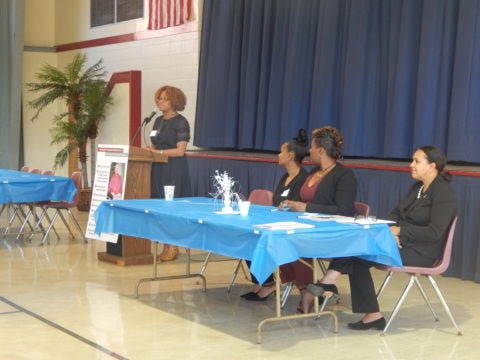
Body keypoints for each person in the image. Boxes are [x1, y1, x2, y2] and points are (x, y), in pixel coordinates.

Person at [305, 145, 458, 330]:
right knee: (358, 254)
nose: (411, 164)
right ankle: (371, 314)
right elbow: (395, 214)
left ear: (432, 165)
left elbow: (434, 233)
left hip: (423, 252)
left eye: (417, 161)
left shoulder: (444, 193)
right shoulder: (417, 187)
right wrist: (390, 232)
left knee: (357, 251)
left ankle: (328, 283)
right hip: (402, 244)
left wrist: (400, 232)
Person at [247, 126, 357, 308]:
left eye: (312, 147)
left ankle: (306, 289)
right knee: (275, 238)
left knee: (290, 242)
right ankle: (303, 288)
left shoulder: (344, 175)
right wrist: (290, 204)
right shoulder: (313, 173)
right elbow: (301, 201)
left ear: (321, 151)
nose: (309, 151)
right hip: (305, 227)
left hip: (328, 233)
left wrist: (306, 207)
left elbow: (344, 210)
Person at [242, 129, 309, 301]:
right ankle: (262, 282)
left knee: (260, 240)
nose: (278, 155)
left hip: (291, 228)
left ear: (290, 155)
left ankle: (270, 283)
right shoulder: (285, 177)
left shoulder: (303, 179)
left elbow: (298, 207)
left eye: (281, 151)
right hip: (277, 222)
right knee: (249, 236)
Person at [146, 85, 193, 261]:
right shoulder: (158, 121)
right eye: (159, 98)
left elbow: (180, 151)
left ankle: (173, 245)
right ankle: (165, 245)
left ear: (174, 101)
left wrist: (157, 153)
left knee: (171, 207)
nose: (160, 102)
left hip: (174, 168)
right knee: (159, 206)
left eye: (164, 99)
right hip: (158, 167)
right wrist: (148, 150)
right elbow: (155, 145)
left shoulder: (181, 122)